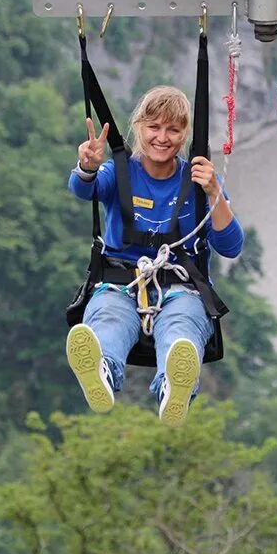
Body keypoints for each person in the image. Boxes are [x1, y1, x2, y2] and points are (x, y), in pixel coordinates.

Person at [66, 85, 243, 425]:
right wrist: (87, 165)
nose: (162, 138)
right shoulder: (119, 172)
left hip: (181, 287)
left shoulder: (199, 180)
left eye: (173, 130)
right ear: (139, 128)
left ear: (185, 135)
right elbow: (82, 188)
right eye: (154, 127)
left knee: (182, 325)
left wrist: (213, 191)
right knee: (108, 317)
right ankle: (101, 367)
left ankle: (173, 386)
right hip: (120, 282)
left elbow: (231, 246)